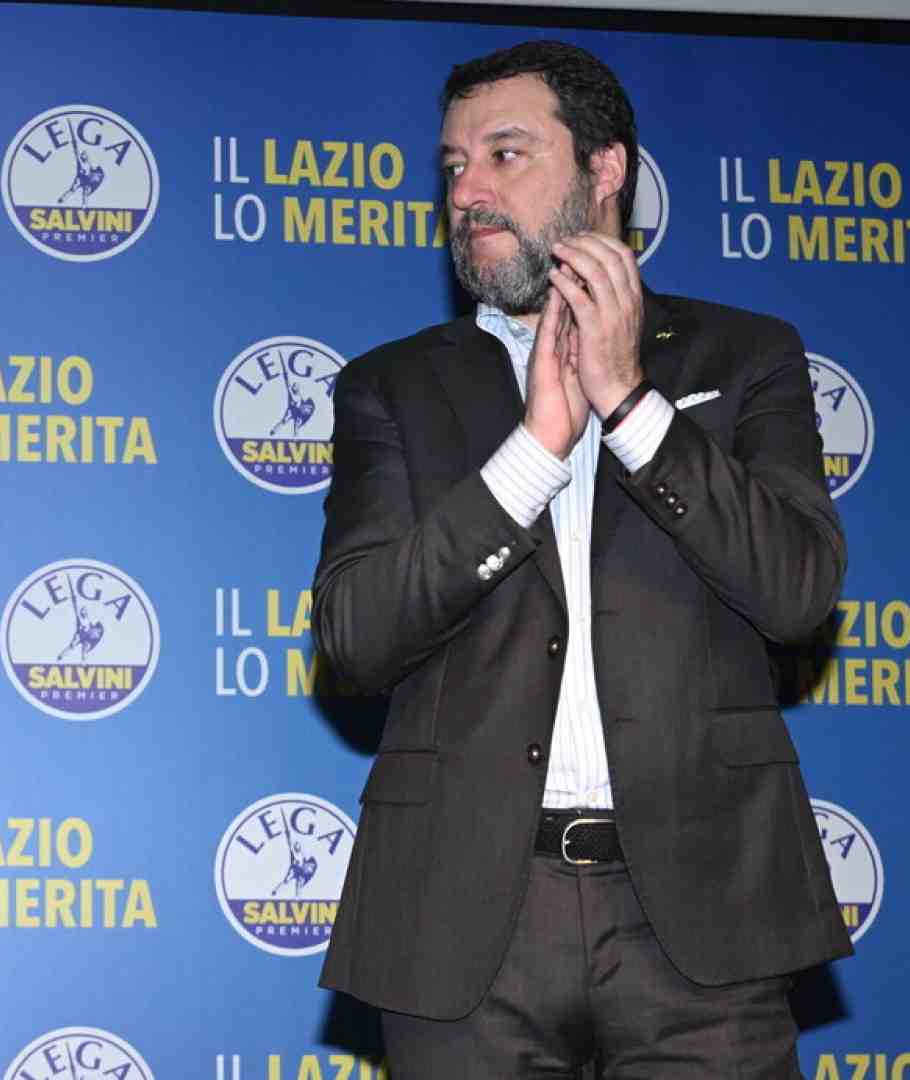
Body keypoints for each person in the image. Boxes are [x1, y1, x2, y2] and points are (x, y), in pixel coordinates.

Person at [313, 41, 850, 1077]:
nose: (466, 190)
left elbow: (798, 591)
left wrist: (632, 406)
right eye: (453, 164)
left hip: (707, 919)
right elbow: (357, 637)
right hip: (463, 922)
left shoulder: (746, 356)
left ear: (606, 169)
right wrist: (534, 452)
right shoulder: (392, 387)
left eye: (505, 154)